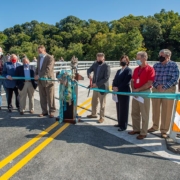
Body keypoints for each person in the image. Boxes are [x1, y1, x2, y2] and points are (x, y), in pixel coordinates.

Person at [148, 49, 179, 138]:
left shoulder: (173, 65)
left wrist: (164, 87)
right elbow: (152, 77)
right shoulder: (156, 65)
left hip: (168, 90)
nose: (159, 57)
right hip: (156, 89)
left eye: (161, 56)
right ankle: (155, 126)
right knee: (155, 109)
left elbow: (174, 78)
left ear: (167, 56)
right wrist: (157, 86)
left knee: (166, 111)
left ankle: (164, 130)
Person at [128, 51, 155, 140]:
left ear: (144, 58)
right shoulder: (136, 69)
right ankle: (136, 129)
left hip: (144, 93)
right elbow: (132, 81)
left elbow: (149, 83)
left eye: (138, 58)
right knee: (134, 112)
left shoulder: (150, 69)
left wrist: (138, 90)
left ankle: (143, 132)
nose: (137, 60)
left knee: (144, 113)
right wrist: (133, 90)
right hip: (135, 93)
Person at [86, 53, 111, 123]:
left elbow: (106, 78)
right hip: (95, 87)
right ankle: (94, 114)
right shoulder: (95, 64)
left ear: (103, 58)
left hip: (102, 87)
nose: (99, 59)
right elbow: (89, 70)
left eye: (100, 57)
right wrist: (89, 74)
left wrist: (96, 84)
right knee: (94, 101)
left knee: (102, 103)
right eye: (98, 57)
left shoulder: (106, 66)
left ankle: (102, 117)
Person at [35, 45, 56, 118]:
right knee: (42, 97)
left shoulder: (50, 58)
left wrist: (39, 75)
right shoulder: (39, 58)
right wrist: (36, 74)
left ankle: (52, 111)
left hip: (48, 81)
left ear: (44, 50)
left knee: (50, 97)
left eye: (40, 51)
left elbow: (48, 69)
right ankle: (44, 111)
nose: (39, 53)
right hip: (40, 81)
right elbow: (38, 68)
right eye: (38, 51)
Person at [112, 55, 132, 131]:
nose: (123, 62)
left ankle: (123, 126)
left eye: (125, 60)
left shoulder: (128, 70)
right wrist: (113, 86)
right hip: (117, 92)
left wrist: (118, 88)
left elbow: (126, 81)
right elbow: (114, 80)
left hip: (124, 91)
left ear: (127, 62)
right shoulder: (118, 71)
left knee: (124, 108)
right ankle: (119, 123)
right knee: (119, 107)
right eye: (122, 60)